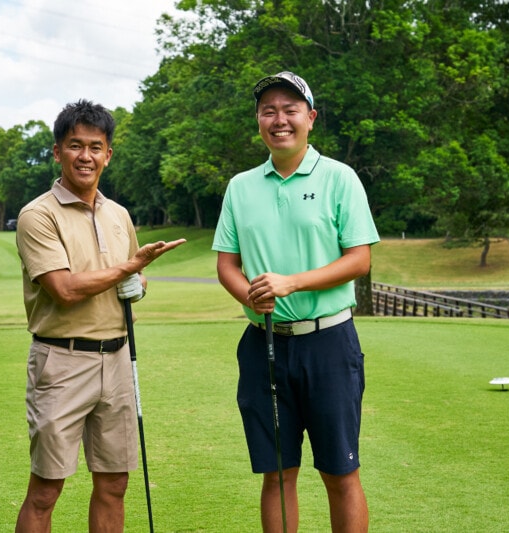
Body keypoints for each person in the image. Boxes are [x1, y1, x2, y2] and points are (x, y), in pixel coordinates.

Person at [212, 71, 379, 532]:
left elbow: (359, 259)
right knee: (278, 474)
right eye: (269, 111)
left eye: (289, 110)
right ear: (259, 121)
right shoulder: (241, 187)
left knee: (340, 472)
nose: (278, 120)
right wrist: (249, 293)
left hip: (328, 344)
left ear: (311, 118)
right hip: (263, 343)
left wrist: (292, 283)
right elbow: (227, 264)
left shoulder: (339, 178)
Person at [15, 99, 185, 533]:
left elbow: (130, 278)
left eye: (96, 147)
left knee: (114, 484)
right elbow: (65, 289)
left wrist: (139, 285)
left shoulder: (118, 215)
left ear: (108, 154)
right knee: (46, 489)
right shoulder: (38, 215)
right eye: (75, 146)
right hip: (62, 362)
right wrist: (129, 270)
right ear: (57, 152)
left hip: (117, 359)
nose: (86, 156)